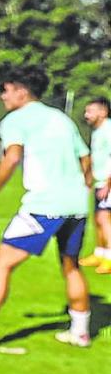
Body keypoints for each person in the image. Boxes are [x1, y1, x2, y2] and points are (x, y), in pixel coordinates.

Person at [0, 68, 94, 351]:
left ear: (21, 91)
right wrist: (83, 186)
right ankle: (81, 332)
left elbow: (12, 156)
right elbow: (85, 157)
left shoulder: (15, 120)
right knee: (71, 265)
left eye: (7, 89)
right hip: (76, 205)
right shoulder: (61, 118)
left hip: (44, 205)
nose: (3, 96)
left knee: (1, 263)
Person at [78, 96, 111, 272]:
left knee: (104, 218)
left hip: (108, 183)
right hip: (100, 182)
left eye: (90, 111)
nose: (86, 114)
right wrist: (89, 179)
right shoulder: (97, 131)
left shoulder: (108, 129)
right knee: (98, 219)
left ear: (103, 112)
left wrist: (108, 184)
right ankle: (100, 253)